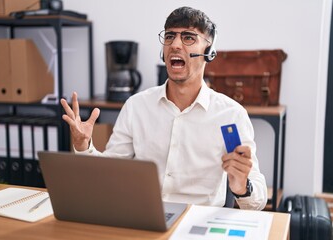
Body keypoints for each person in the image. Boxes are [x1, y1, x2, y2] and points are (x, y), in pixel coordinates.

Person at [61, 6, 267, 210]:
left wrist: (242, 187)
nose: (175, 45)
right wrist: (83, 146)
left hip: (198, 223)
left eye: (188, 37)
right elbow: (109, 174)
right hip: (145, 216)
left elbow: (256, 201)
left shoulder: (230, 114)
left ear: (208, 52)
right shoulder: (136, 106)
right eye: (169, 37)